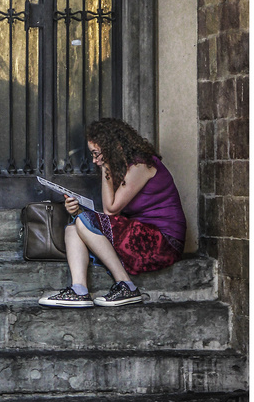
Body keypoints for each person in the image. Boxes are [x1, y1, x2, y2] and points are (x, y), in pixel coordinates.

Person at [38, 117, 187, 308]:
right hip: (142, 233)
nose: (94, 160)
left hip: (164, 241)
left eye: (96, 153)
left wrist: (105, 167)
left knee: (84, 221)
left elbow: (110, 210)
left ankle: (126, 286)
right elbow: (112, 215)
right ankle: (79, 290)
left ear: (111, 147)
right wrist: (77, 209)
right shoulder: (123, 167)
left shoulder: (141, 165)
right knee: (73, 227)